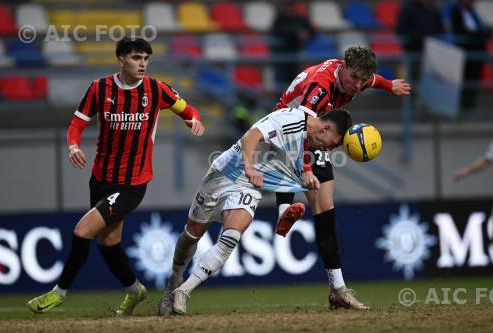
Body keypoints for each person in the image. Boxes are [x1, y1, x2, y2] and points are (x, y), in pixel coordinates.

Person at [27, 36, 205, 316]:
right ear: (121, 60)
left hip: (132, 183)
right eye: (136, 58)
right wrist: (73, 146)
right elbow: (77, 123)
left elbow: (188, 109)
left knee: (81, 231)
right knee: (109, 244)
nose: (142, 63)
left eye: (146, 59)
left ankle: (58, 293)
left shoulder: (157, 90)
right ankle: (135, 292)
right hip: (100, 179)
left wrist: (193, 119)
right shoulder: (100, 89)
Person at [160, 107, 352, 315]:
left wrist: (306, 174)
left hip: (249, 186)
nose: (327, 150)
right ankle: (175, 279)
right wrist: (250, 168)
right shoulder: (291, 119)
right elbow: (251, 136)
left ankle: (183, 291)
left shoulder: (305, 136)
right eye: (332, 144)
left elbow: (294, 156)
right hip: (224, 173)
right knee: (192, 234)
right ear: (325, 129)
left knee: (230, 237)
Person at [271, 46, 410, 310]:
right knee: (292, 152)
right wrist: (306, 169)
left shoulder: (359, 78)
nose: (357, 86)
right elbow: (298, 129)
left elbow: (373, 80)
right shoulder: (319, 87)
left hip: (314, 132)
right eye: (354, 78)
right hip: (284, 127)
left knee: (326, 212)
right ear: (343, 67)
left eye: (362, 80)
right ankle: (283, 210)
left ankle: (338, 290)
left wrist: (389, 85)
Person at [450, 0, 490, 110]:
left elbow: (482, 30)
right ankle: (461, 108)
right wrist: (476, 36)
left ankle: (469, 108)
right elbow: (460, 30)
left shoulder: (474, 12)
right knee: (463, 82)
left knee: (473, 81)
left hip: (476, 54)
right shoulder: (455, 11)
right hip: (464, 54)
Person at [271, 1, 315, 90]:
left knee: (294, 85)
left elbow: (312, 31)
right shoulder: (279, 20)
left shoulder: (300, 19)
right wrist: (297, 35)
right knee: (282, 85)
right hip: (282, 58)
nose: (290, 9)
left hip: (296, 57)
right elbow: (280, 32)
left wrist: (307, 34)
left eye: (291, 6)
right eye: (288, 6)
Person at [396, 0, 444, 83]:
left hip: (432, 51)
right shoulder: (407, 8)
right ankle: (413, 94)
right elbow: (400, 29)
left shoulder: (434, 9)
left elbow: (440, 29)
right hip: (414, 51)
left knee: (432, 80)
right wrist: (414, 38)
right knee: (414, 78)